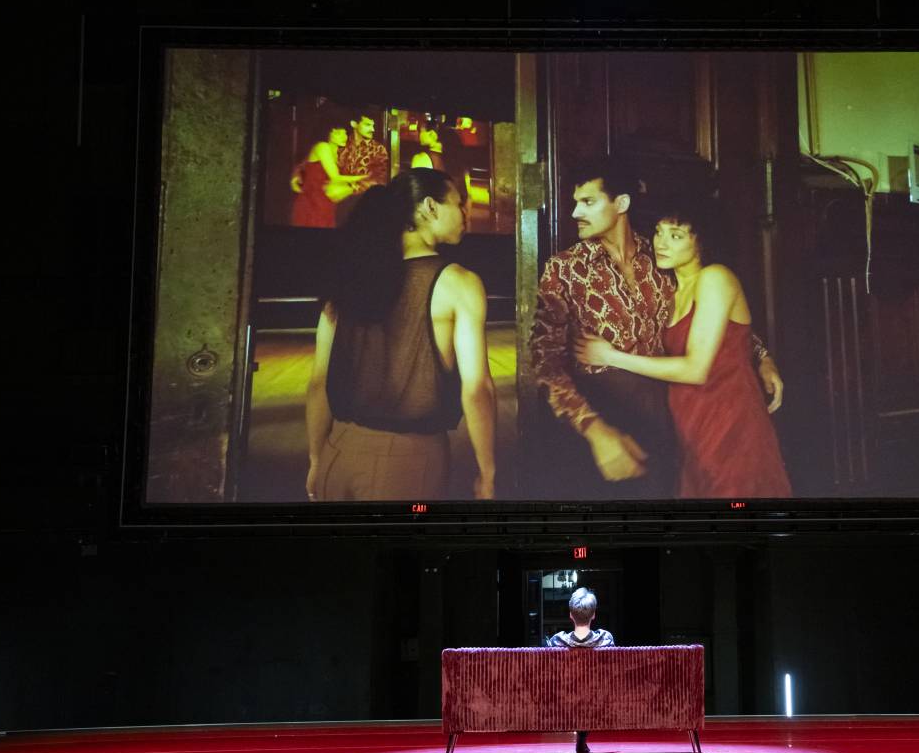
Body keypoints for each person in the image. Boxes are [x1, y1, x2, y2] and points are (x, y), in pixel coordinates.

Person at [529, 157, 784, 499]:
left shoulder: (662, 258)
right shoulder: (564, 269)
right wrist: (593, 429)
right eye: (575, 202)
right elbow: (544, 360)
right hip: (604, 418)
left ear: (621, 203)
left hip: (672, 420)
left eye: (587, 202)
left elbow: (712, 321)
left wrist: (761, 356)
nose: (575, 212)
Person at [576, 199, 792, 498]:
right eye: (658, 232)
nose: (661, 243)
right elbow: (731, 335)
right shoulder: (670, 291)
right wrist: (763, 356)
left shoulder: (715, 278)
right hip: (690, 427)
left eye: (676, 235)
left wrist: (610, 356)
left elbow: (695, 369)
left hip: (730, 422)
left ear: (701, 242)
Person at [305, 169, 496, 501]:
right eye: (458, 203)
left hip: (337, 454)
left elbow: (318, 384)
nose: (466, 212)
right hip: (407, 465)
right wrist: (488, 472)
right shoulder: (458, 283)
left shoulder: (351, 278)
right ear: (430, 207)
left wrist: (316, 460)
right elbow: (477, 388)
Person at [545, 587, 614, 753]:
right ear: (593, 615)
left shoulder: (556, 641)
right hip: (599, 701)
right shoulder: (606, 639)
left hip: (564, 701)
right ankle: (583, 736)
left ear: (571, 615)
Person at [290, 126, 369, 228]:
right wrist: (363, 178)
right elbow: (335, 177)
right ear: (329, 134)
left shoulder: (340, 153)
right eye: (338, 133)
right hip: (311, 201)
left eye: (345, 133)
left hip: (326, 201)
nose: (344, 137)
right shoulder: (323, 147)